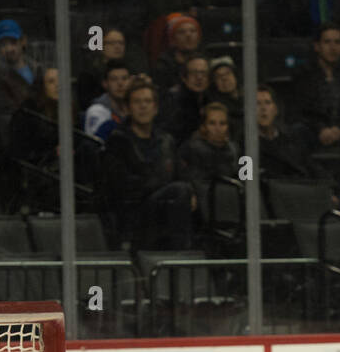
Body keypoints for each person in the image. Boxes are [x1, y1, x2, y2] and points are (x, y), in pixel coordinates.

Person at [102, 75, 194, 250]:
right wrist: (163, 187)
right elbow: (121, 187)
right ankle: (181, 252)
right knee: (179, 191)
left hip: (166, 208)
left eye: (147, 101)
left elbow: (181, 173)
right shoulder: (118, 142)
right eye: (137, 102)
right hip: (135, 213)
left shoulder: (166, 140)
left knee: (184, 192)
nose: (143, 106)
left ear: (156, 108)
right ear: (128, 108)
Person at [292, 24, 340, 188]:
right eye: (327, 42)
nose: (333, 47)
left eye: (337, 42)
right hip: (313, 130)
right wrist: (320, 129)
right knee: (296, 133)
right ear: (317, 46)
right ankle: (313, 185)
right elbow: (300, 108)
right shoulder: (303, 74)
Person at [177, 101, 239, 183]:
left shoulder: (235, 150)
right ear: (203, 126)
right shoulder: (190, 150)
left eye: (222, 123)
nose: (218, 128)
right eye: (212, 123)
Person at [158, 54, 210, 146]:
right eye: (194, 73)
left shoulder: (210, 99)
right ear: (184, 77)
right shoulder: (173, 100)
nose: (199, 77)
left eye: (203, 73)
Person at [0, 18, 35, 116]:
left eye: (13, 42)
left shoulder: (38, 70)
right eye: (3, 44)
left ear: (23, 41)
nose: (9, 49)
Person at [152, 14, 202, 92]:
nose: (188, 35)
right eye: (182, 32)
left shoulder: (205, 61)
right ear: (173, 39)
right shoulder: (163, 66)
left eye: (193, 31)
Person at [82, 61, 129, 142]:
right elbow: (94, 146)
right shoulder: (96, 111)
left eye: (124, 78)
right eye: (114, 79)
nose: (120, 83)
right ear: (105, 84)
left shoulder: (133, 107)